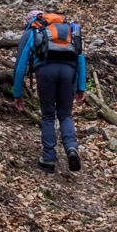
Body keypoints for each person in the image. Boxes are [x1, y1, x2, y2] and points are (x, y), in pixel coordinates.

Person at [13, 9, 87, 173]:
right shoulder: (67, 31)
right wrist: (81, 87)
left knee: (48, 114)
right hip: (69, 73)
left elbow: (20, 66)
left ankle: (48, 158)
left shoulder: (34, 32)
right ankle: (71, 147)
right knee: (65, 114)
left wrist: (17, 93)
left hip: (46, 72)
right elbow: (80, 58)